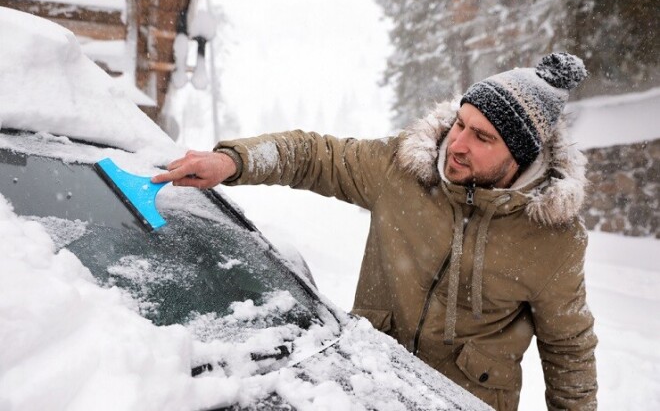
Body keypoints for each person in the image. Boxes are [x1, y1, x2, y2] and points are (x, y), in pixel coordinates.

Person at [152, 53, 598, 410]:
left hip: (464, 401)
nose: (457, 145)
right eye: (460, 123)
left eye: (483, 138)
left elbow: (568, 349)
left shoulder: (552, 236)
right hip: (367, 382)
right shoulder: (404, 168)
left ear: (521, 156)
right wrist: (234, 161)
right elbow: (313, 155)